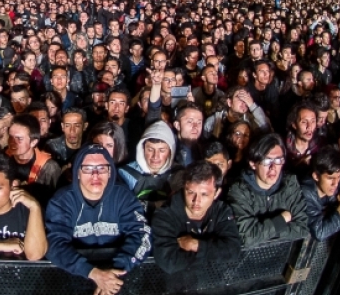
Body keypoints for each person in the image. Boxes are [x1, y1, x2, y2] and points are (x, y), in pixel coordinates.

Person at [45, 144, 151, 295]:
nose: (95, 174)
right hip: (74, 278)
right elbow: (54, 244)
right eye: (88, 168)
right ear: (78, 173)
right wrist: (93, 273)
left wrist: (113, 274)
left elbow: (142, 235)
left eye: (102, 168)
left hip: (118, 279)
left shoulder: (123, 197)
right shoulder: (62, 201)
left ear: (110, 172)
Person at [152, 161, 240, 275]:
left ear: (217, 193)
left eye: (204, 194)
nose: (196, 200)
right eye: (191, 192)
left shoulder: (221, 211)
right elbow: (169, 262)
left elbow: (233, 250)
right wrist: (213, 251)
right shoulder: (165, 216)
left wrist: (196, 245)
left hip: (214, 281)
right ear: (184, 188)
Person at [227, 133, 309, 247]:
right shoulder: (239, 191)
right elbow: (248, 237)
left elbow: (303, 228)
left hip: (280, 258)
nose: (273, 167)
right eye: (267, 161)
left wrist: (261, 233)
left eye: (278, 160)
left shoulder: (289, 183)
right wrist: (281, 220)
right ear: (253, 163)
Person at [117, 121, 176, 218]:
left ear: (170, 151)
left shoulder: (178, 174)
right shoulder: (125, 174)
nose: (155, 156)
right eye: (150, 149)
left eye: (162, 150)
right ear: (142, 148)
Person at [300, 146, 340, 241]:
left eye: (339, 176)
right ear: (316, 176)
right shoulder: (305, 193)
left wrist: (330, 220)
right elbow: (321, 232)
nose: (335, 183)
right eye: (330, 178)